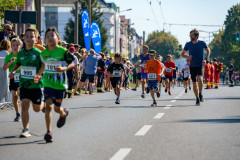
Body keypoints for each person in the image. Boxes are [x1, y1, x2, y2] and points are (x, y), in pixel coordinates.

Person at [9, 28, 45, 138]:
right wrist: (13, 71)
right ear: (23, 38)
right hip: (24, 83)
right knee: (24, 104)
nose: (29, 38)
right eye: (27, 36)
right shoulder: (21, 53)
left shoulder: (38, 53)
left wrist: (39, 74)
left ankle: (42, 104)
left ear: (36, 39)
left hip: (36, 84)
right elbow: (18, 63)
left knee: (36, 108)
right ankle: (25, 129)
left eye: (32, 36)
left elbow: (43, 65)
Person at [41, 27, 75, 143]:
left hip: (60, 85)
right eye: (48, 36)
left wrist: (64, 68)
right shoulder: (43, 53)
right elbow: (41, 67)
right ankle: (48, 132)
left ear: (58, 38)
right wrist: (38, 75)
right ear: (45, 40)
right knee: (49, 106)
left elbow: (73, 63)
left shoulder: (62, 52)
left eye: (52, 35)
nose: (50, 38)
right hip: (48, 84)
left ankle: (63, 113)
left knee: (56, 109)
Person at [181, 29, 211, 105]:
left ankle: (200, 93)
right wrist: (188, 57)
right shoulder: (188, 44)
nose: (191, 37)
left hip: (200, 65)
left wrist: (205, 59)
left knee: (200, 79)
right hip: (192, 66)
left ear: (196, 36)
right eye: (190, 35)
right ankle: (197, 98)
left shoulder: (202, 43)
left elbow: (208, 50)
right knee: (194, 83)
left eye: (192, 35)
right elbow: (182, 54)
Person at [3, 38, 22, 121]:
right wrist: (10, 62)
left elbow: (22, 64)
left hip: (21, 77)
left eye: (17, 45)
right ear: (11, 46)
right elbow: (4, 68)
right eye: (13, 45)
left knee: (19, 92)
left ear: (20, 46)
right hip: (13, 78)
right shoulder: (8, 56)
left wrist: (14, 71)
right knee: (14, 95)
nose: (15, 47)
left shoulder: (21, 55)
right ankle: (18, 113)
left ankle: (25, 105)